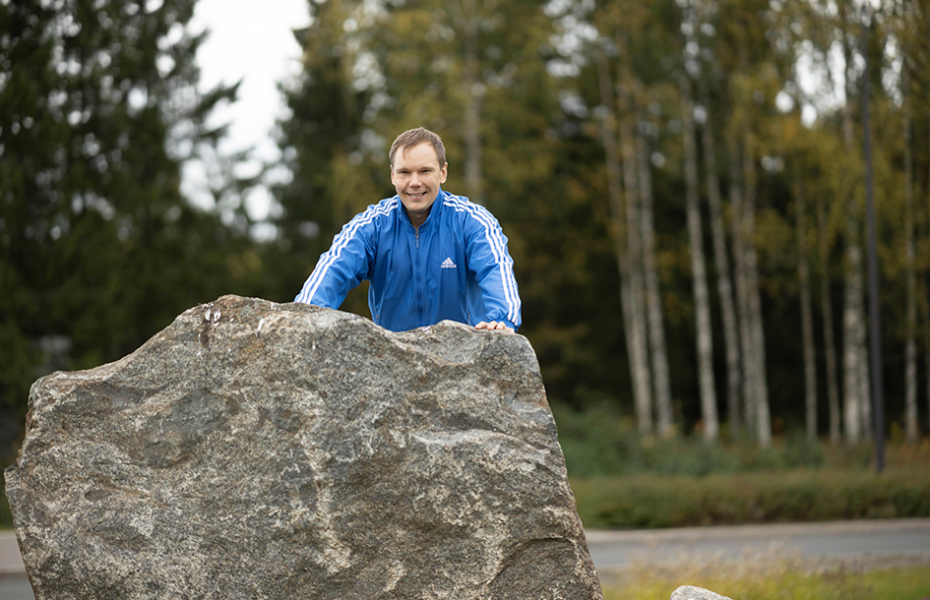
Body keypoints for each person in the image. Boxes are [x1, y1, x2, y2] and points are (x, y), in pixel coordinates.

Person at [294, 127, 521, 333]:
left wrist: (503, 320)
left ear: (443, 173)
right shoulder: (370, 227)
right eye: (404, 172)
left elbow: (496, 270)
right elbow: (333, 270)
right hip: (394, 362)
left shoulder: (473, 222)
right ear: (392, 175)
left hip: (464, 359)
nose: (414, 182)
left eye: (424, 171)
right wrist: (300, 319)